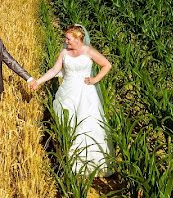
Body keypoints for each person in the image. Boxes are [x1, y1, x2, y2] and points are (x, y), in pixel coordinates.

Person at [30, 24, 113, 174]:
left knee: (88, 124)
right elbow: (55, 70)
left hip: (85, 93)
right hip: (67, 92)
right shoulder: (64, 52)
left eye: (68, 39)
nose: (66, 41)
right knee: (68, 124)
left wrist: (95, 79)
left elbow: (107, 65)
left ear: (78, 38)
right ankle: (70, 162)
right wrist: (38, 81)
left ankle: (93, 164)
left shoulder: (88, 51)